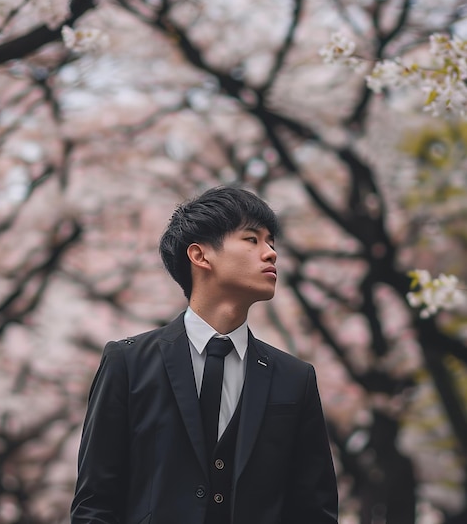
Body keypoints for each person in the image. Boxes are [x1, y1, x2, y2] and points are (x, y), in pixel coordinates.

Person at [71, 185, 338, 524]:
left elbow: (315, 511)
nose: (270, 253)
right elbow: (95, 504)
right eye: (252, 239)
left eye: (271, 242)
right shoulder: (128, 363)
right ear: (200, 256)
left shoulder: (295, 378)